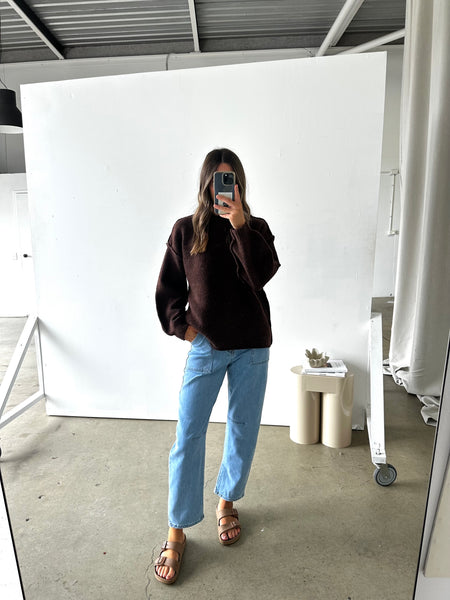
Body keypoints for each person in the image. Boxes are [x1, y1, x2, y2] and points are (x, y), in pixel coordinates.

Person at [154, 148, 280, 584]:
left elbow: (261, 275)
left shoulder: (256, 229)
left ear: (240, 185)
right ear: (206, 183)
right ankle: (177, 528)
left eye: (232, 180)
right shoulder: (185, 230)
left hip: (252, 347)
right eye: (217, 179)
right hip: (206, 347)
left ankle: (227, 501)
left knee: (242, 430)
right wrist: (185, 329)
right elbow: (169, 288)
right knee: (188, 435)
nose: (224, 187)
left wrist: (240, 224)